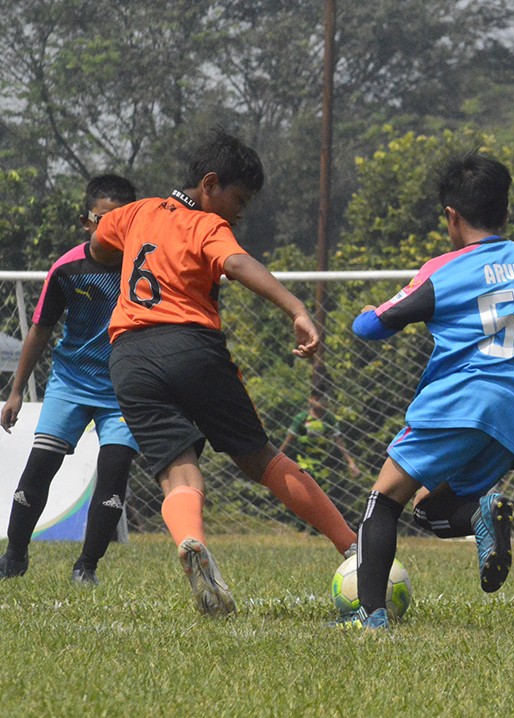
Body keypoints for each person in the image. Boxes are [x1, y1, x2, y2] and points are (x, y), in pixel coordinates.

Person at [345, 152, 514, 631]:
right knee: (430, 508)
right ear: (506, 213)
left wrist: (366, 314)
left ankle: (370, 617)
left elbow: (371, 327)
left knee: (383, 500)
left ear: (452, 216)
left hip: (457, 404)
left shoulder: (445, 270)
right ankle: (480, 514)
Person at [88, 130, 356, 617]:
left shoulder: (136, 212)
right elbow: (236, 262)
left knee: (177, 469)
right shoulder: (205, 225)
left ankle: (191, 539)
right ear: (209, 184)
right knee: (260, 460)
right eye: (239, 199)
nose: (240, 212)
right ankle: (353, 547)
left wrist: (113, 249)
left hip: (128, 356)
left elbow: (97, 246)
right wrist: (295, 307)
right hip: (191, 348)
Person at [0, 175, 140, 586]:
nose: (111, 228)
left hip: (123, 388)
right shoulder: (67, 269)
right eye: (103, 219)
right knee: (41, 465)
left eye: (121, 220)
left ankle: (87, 567)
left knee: (114, 472)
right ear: (86, 221)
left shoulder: (144, 266)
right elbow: (40, 329)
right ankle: (14, 555)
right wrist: (14, 392)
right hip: (71, 382)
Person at [280, 386, 361, 519]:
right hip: (304, 464)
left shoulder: (329, 420)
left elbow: (338, 441)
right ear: (310, 400)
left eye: (324, 399)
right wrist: (277, 458)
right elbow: (288, 440)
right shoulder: (302, 418)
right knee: (304, 494)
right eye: (317, 399)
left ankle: (316, 526)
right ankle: (301, 524)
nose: (321, 402)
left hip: (323, 464)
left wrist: (351, 462)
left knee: (323, 496)